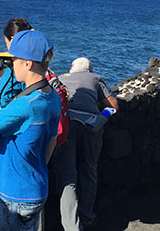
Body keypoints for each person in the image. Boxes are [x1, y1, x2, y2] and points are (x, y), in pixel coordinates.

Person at [0, 29, 62, 230]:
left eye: (14, 61)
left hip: (16, 194)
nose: (12, 66)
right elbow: (52, 140)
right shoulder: (52, 97)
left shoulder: (26, 104)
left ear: (28, 63)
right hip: (35, 187)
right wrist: (32, 168)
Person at [52, 57, 118, 230]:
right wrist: (101, 117)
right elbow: (114, 105)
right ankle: (87, 215)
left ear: (72, 69)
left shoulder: (62, 77)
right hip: (90, 125)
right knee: (88, 170)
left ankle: (71, 225)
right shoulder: (96, 79)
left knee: (67, 177)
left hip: (66, 123)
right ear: (90, 70)